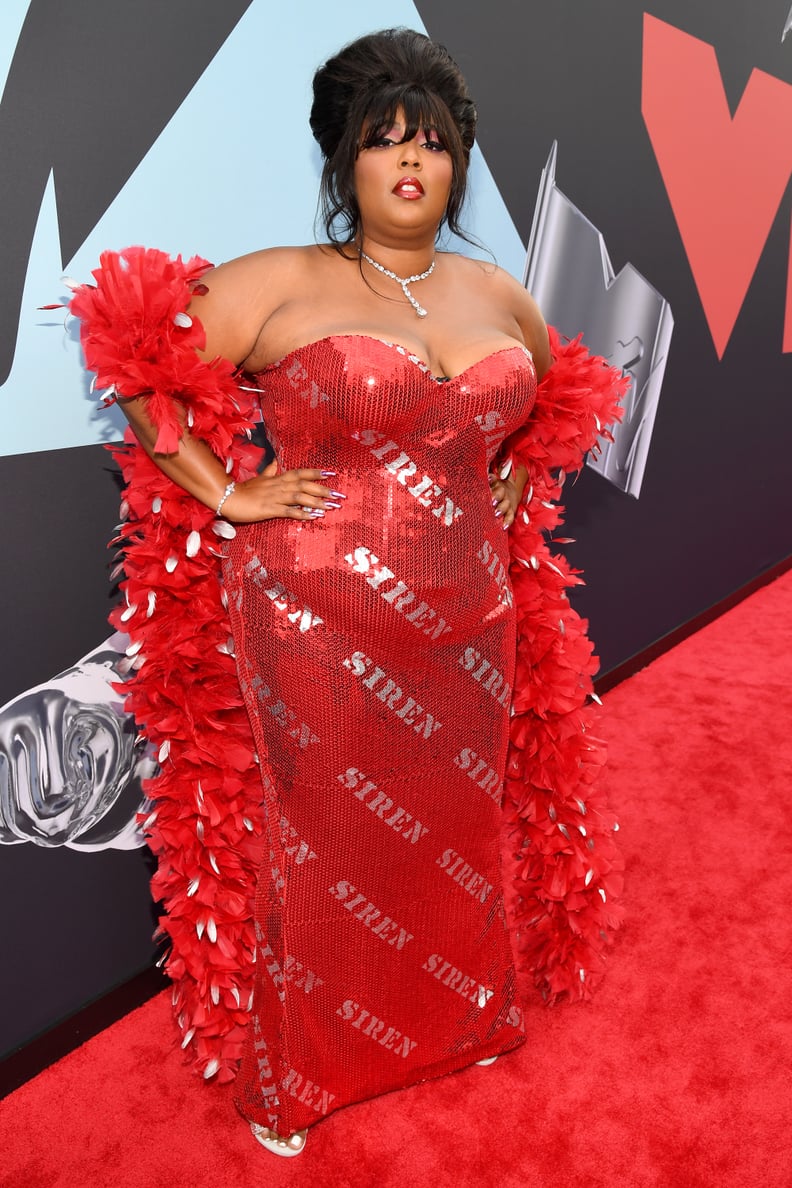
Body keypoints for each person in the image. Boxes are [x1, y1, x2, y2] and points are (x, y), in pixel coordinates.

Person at [69, 28, 625, 1159]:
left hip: (471, 626)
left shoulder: (495, 291)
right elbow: (137, 350)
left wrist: (530, 457)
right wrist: (226, 492)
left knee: (453, 836)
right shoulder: (283, 280)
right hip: (318, 624)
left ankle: (464, 1023)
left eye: (431, 141)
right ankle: (302, 1080)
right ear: (345, 164)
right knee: (322, 855)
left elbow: (559, 384)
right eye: (384, 143)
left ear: (460, 160)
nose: (410, 162)